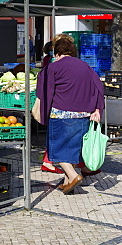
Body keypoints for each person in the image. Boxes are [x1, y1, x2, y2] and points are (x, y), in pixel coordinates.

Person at [35, 33, 104, 194]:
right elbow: (99, 87)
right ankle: (67, 183)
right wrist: (97, 109)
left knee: (56, 150)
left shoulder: (53, 67)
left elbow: (45, 90)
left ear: (56, 53)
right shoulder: (85, 66)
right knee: (73, 150)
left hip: (61, 115)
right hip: (83, 115)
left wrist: (42, 113)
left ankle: (73, 176)